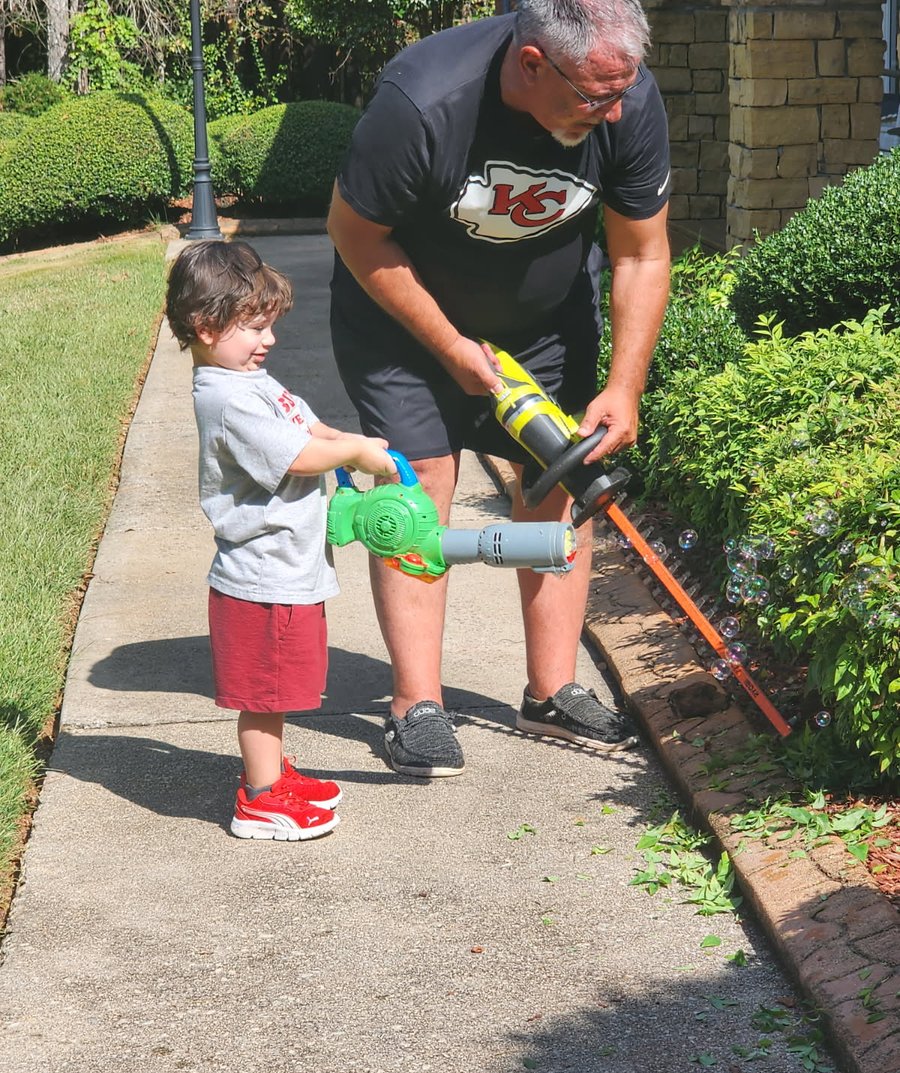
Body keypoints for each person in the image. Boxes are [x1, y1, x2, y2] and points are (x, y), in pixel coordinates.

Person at [327, 0, 671, 778]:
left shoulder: (625, 96)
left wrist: (625, 386)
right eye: (593, 97)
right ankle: (417, 705)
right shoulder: (424, 99)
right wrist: (448, 346)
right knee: (420, 494)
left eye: (622, 91)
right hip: (406, 326)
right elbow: (354, 233)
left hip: (545, 323)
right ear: (531, 64)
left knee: (558, 483)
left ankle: (550, 692)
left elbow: (642, 254)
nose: (614, 111)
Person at [165, 240, 397, 839]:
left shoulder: (251, 380)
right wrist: (351, 452)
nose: (267, 340)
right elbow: (298, 455)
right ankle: (261, 802)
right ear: (206, 326)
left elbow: (307, 425)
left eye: (269, 326)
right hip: (262, 578)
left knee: (280, 688)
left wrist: (350, 440)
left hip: (286, 569)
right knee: (265, 695)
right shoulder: (227, 398)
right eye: (254, 328)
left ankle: (272, 776)